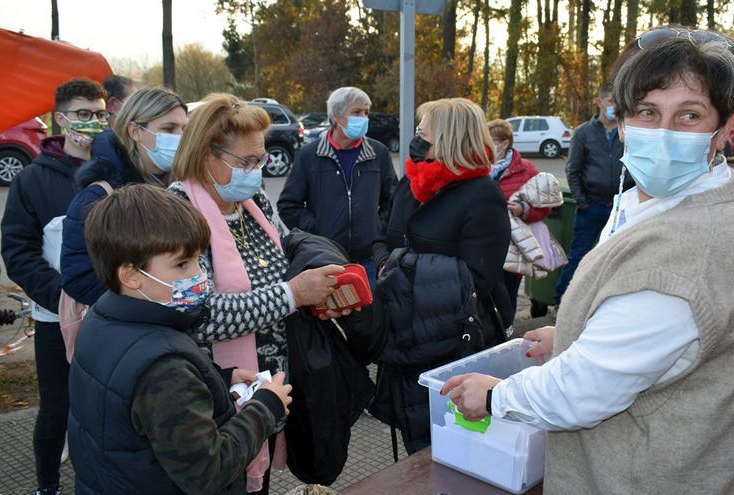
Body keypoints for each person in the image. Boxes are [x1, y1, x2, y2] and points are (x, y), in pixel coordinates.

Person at [442, 28, 734, 493]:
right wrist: (572, 335)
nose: (663, 133)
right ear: (621, 123)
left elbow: (581, 391)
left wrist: (493, 395)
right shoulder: (660, 201)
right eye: (648, 111)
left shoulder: (685, 256)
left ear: (722, 131)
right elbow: (640, 333)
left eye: (689, 115)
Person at [169, 93, 352, 493]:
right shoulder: (177, 214)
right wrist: (292, 295)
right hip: (217, 395)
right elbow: (198, 313)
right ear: (205, 156)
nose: (257, 171)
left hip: (269, 389)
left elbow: (284, 259)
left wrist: (318, 293)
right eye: (246, 162)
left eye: (261, 160)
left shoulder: (253, 202)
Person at [68, 183, 292, 494]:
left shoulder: (101, 318)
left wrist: (217, 378)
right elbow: (207, 471)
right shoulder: (164, 366)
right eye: (182, 264)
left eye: (198, 260)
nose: (198, 275)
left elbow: (136, 401)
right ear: (131, 275)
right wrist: (266, 407)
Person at [370, 98, 512, 454]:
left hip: (451, 343)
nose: (415, 139)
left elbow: (477, 277)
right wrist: (387, 263)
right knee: (414, 446)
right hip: (404, 335)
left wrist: (401, 270)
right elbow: (384, 236)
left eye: (423, 133)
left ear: (449, 139)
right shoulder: (414, 180)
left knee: (450, 446)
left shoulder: (482, 195)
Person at [0, 78, 108, 495]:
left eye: (100, 114)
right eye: (84, 115)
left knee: (106, 405)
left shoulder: (117, 170)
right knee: (58, 409)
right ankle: (48, 484)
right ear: (60, 119)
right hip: (55, 318)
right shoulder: (32, 180)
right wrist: (64, 296)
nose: (95, 122)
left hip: (111, 313)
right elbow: (19, 252)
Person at [61, 87, 188, 307]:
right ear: (135, 131)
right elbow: (79, 278)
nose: (179, 138)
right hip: (137, 325)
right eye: (168, 128)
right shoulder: (99, 197)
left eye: (184, 129)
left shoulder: (188, 186)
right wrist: (152, 304)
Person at [277, 87, 397, 284]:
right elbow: (288, 205)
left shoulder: (379, 153)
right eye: (357, 112)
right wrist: (318, 231)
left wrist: (376, 230)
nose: (364, 118)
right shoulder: (310, 155)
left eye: (366, 112)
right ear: (336, 116)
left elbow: (392, 201)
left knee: (370, 314)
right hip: (325, 261)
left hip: (369, 260)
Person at [553, 83, 633, 305]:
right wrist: (583, 201)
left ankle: (603, 303)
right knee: (580, 256)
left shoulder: (627, 131)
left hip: (620, 207)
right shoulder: (583, 133)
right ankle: (562, 301)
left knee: (618, 257)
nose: (614, 107)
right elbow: (573, 169)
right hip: (592, 206)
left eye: (618, 103)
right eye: (610, 102)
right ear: (599, 102)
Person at [487, 119, 552, 314]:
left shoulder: (527, 170)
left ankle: (506, 333)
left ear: (504, 143)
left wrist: (523, 209)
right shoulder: (478, 166)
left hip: (514, 245)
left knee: (507, 293)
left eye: (489, 140)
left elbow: (544, 206)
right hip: (485, 241)